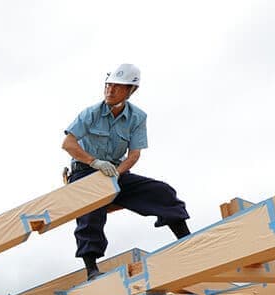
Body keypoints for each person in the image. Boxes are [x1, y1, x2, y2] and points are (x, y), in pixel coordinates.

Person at [62, 63, 191, 280]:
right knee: (91, 208)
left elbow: (134, 154)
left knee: (162, 192)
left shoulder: (137, 117)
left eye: (117, 87)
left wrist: (117, 174)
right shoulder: (91, 113)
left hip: (116, 171)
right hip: (85, 170)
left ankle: (187, 242)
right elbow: (68, 143)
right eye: (108, 85)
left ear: (131, 91)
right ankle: (91, 269)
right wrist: (95, 163)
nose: (110, 90)